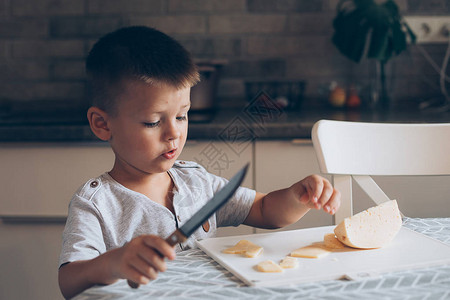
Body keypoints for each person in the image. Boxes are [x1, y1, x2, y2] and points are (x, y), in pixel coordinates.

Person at [58, 26, 341, 299]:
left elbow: (265, 210)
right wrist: (114, 263)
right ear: (102, 124)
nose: (173, 133)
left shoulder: (197, 181)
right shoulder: (96, 203)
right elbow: (69, 281)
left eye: (181, 116)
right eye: (153, 122)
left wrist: (298, 196)